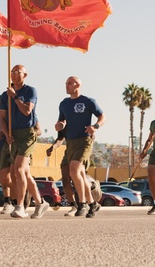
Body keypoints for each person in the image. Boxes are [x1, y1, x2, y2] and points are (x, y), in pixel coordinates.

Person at [0, 64, 49, 219]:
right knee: (25, 174)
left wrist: (14, 96)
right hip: (13, 135)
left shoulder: (29, 91)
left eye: (17, 72)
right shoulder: (4, 95)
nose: (14, 74)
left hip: (27, 134)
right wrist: (6, 133)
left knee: (19, 170)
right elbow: (2, 117)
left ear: (25, 75)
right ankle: (40, 202)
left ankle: (20, 206)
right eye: (12, 72)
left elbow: (27, 111)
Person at [55, 76, 104, 218]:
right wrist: (59, 125)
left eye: (69, 83)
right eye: (66, 84)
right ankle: (93, 204)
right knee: (80, 175)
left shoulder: (88, 101)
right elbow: (61, 121)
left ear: (78, 85)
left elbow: (102, 116)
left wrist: (95, 126)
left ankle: (81, 204)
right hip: (70, 142)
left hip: (84, 141)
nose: (67, 86)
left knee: (74, 170)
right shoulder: (64, 104)